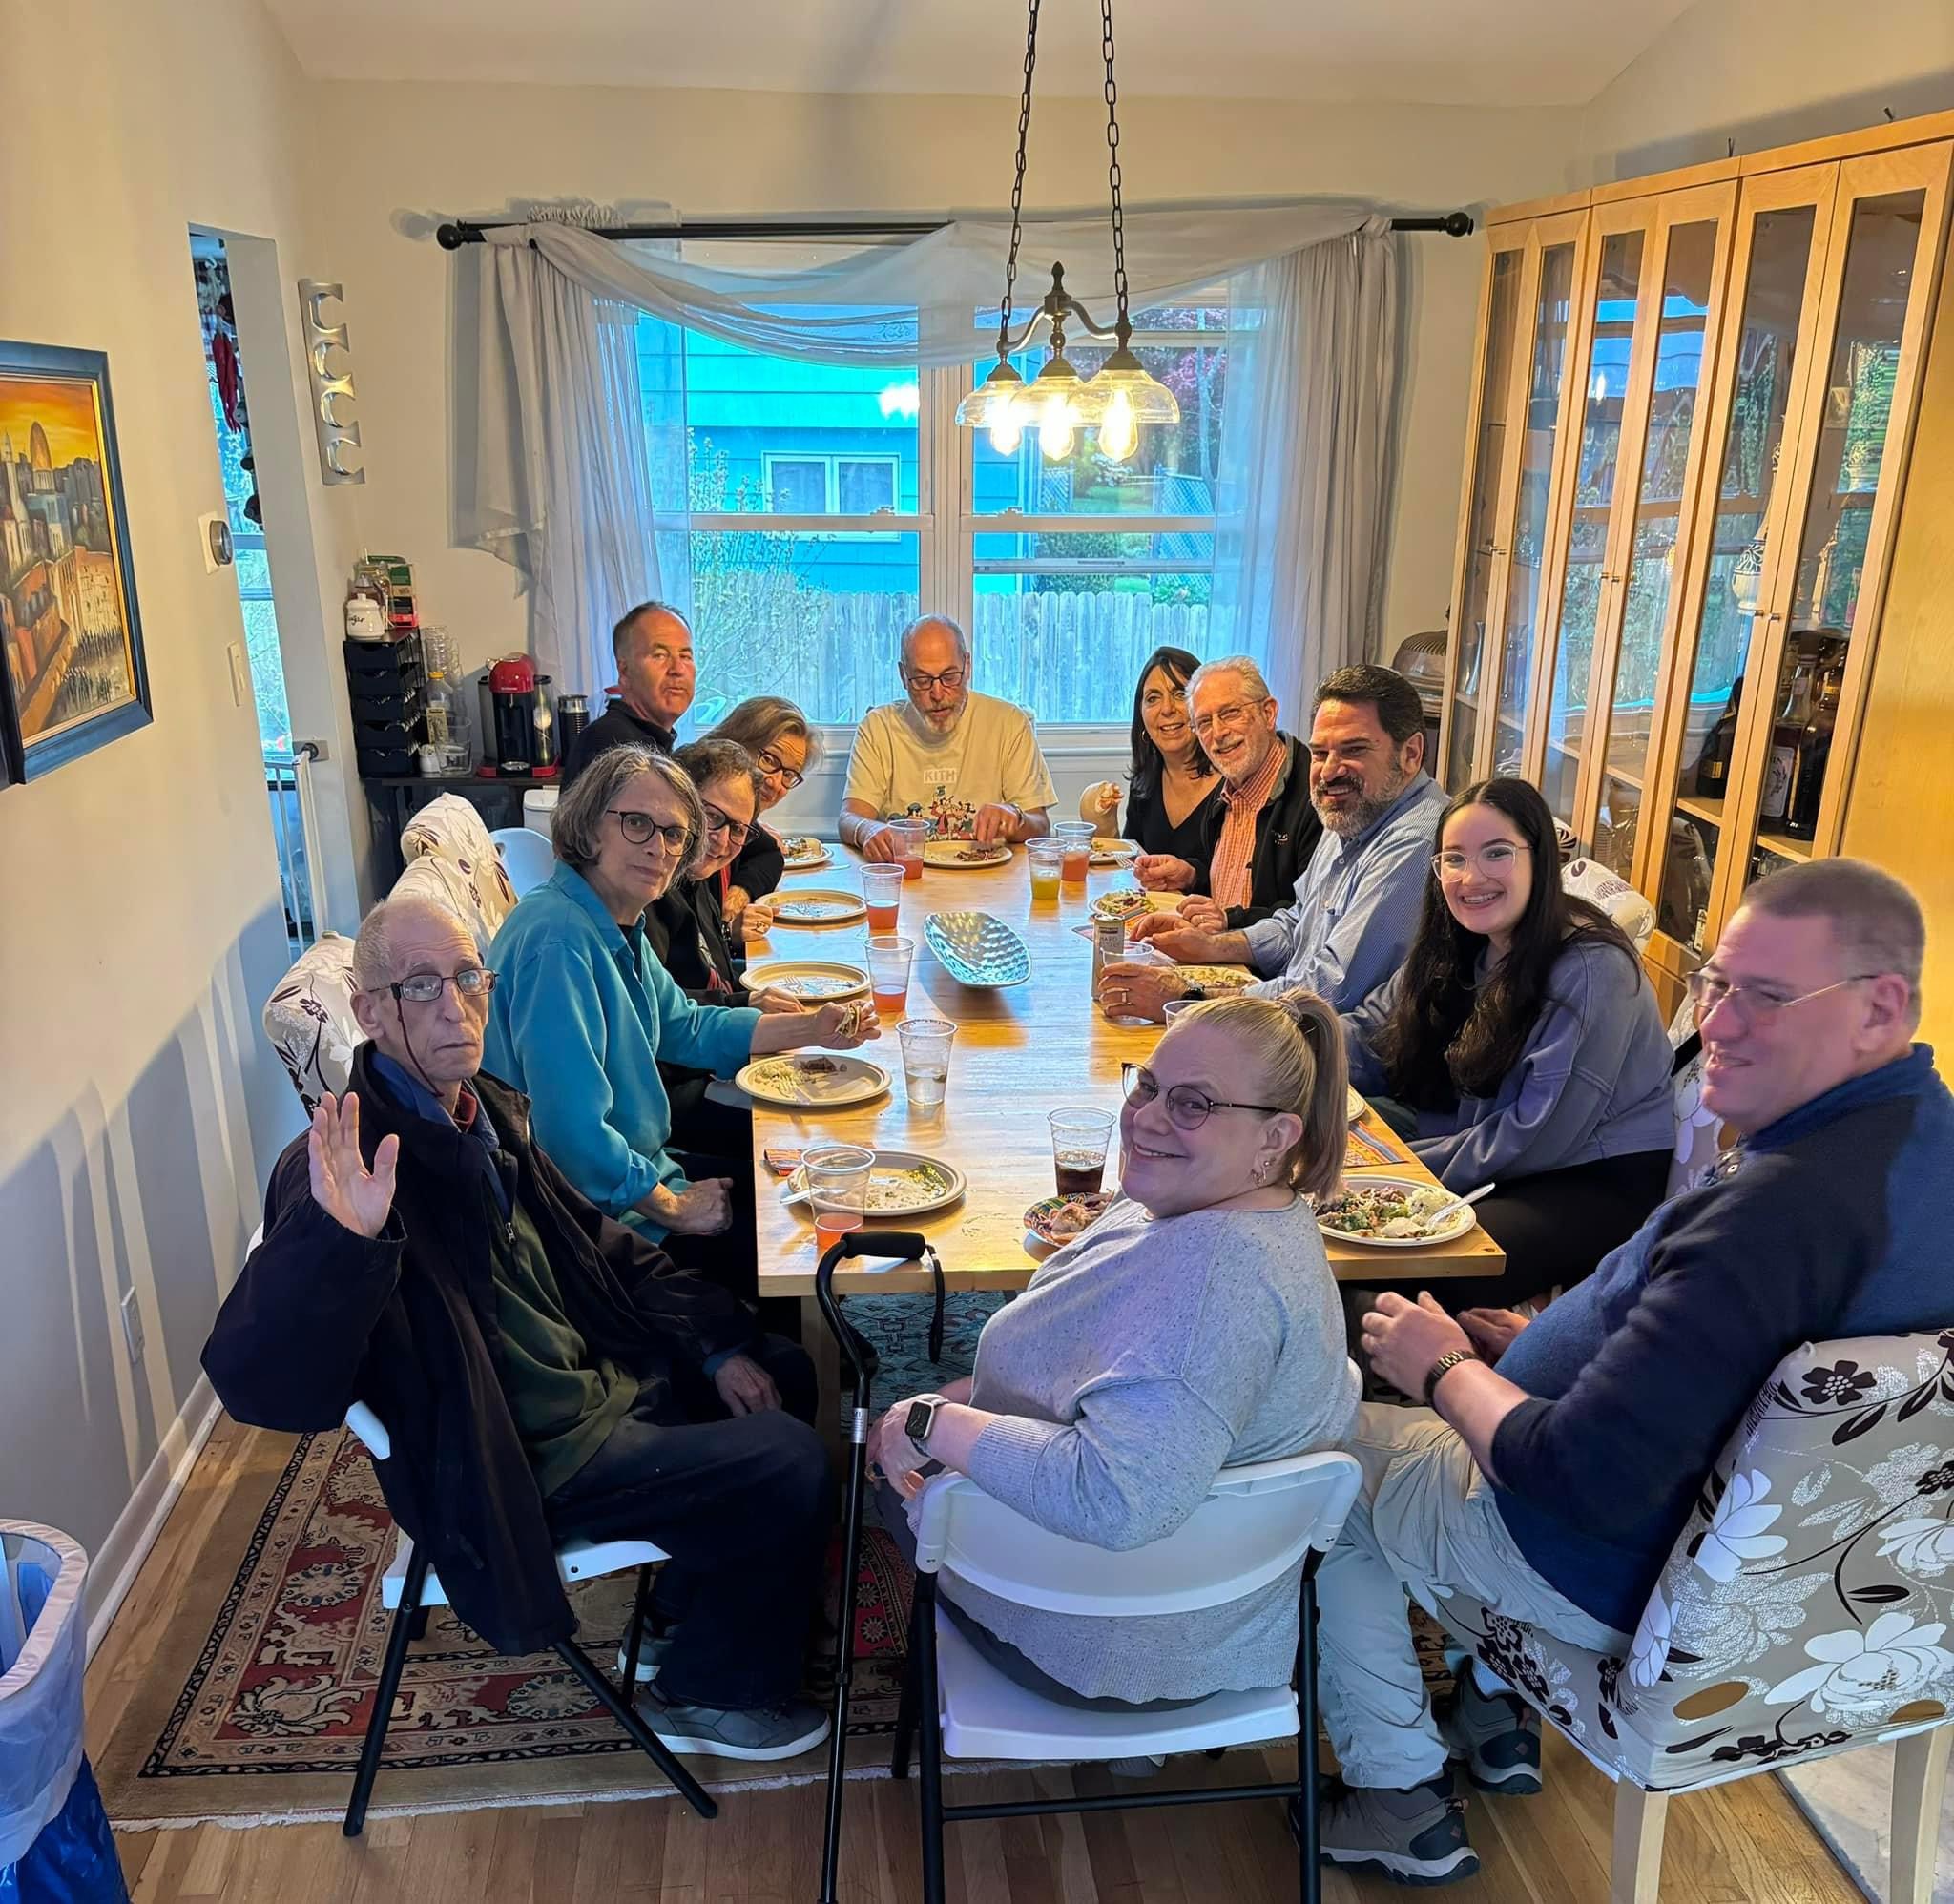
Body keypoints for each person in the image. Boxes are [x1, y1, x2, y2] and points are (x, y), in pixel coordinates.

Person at [1312, 859, 1953, 1884]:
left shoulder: (1773, 1216)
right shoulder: (1919, 1142)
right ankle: (1490, 1712)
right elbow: (1708, 1361)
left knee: (1331, 1467)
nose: (1717, 1024)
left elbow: (1582, 1476)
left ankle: (1398, 1797)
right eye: (1715, 983)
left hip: (1613, 1574)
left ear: (1879, 1008)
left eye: (1766, 996)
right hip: (1843, 1613)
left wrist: (1444, 1369)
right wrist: (1537, 1344)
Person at [201, 894, 836, 1762]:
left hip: (590, 1381)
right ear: (369, 1011)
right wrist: (340, 1247)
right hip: (508, 1451)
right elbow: (264, 1390)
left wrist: (718, 1341)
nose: (454, 1006)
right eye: (420, 985)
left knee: (782, 1369)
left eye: (468, 977)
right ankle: (712, 1693)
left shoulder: (480, 1106)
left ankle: (682, 1612)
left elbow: (597, 1241)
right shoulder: (343, 1170)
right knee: (790, 1460)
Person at [868, 992, 1361, 1707]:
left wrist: (929, 1424)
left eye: (1193, 1104)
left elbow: (1119, 1501)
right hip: (1175, 1619)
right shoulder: (1215, 1204)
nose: (1147, 1118)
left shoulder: (1214, 1290)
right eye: (1149, 1086)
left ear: (1276, 1137)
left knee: (881, 1471)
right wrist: (973, 1400)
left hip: (1105, 1646)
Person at [484, 744, 878, 1300]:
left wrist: (814, 1029)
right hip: (592, 1218)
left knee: (796, 1195)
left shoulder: (613, 918)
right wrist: (673, 1206)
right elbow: (569, 1135)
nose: (659, 848)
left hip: (640, 1171)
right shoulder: (559, 940)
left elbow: (686, 1027)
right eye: (637, 824)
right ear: (589, 827)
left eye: (674, 834)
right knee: (793, 1241)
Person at [1341, 777, 1673, 1305]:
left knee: (1375, 1274)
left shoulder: (1593, 968)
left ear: (1540, 857)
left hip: (1581, 1180)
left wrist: (1397, 1171)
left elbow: (1538, 1134)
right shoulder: (1462, 941)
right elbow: (1374, 1030)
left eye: (1497, 853)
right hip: (1481, 1144)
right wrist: (1285, 1050)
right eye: (1454, 859)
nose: (1471, 877)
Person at [1099, 665, 1447, 1024]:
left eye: (1354, 749)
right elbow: (1298, 923)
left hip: (1328, 1047)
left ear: (1411, 754)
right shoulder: (1355, 809)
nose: (1329, 771)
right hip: (1285, 1016)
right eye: (1320, 753)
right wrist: (1213, 945)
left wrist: (1188, 996)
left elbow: (1327, 991)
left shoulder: (1413, 842)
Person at [1122, 654, 1321, 923]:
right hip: (1211, 945)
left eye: (1230, 713)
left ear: (1268, 713)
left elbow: (1312, 918)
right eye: (1204, 722)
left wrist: (1228, 922)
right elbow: (1230, 888)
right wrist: (1192, 876)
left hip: (1249, 951)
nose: (1218, 733)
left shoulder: (1315, 795)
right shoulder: (1228, 790)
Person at [840, 615, 1056, 859]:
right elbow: (849, 817)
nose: (937, 693)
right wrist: (867, 829)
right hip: (910, 872)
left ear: (967, 666)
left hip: (987, 875)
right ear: (903, 675)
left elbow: (1041, 826)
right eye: (922, 680)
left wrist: (1015, 817)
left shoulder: (1009, 722)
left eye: (950, 677)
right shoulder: (878, 727)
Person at [1075, 645, 1221, 862]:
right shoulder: (1144, 783)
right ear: (1141, 715)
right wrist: (1102, 821)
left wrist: (1191, 875)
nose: (1167, 709)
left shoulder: (1231, 784)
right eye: (1153, 698)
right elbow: (1130, 866)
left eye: (1180, 694)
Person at [702, 695, 821, 935]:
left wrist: (741, 891)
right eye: (768, 760)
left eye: (789, 775)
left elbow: (770, 853)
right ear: (733, 742)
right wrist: (728, 932)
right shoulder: (694, 817)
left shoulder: (741, 820)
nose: (775, 783)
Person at [560, 601, 696, 787]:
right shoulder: (613, 745)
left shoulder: (652, 740)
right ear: (624, 671)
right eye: (660, 655)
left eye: (685, 656)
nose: (678, 669)